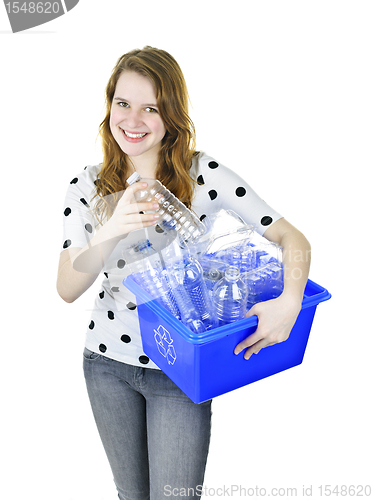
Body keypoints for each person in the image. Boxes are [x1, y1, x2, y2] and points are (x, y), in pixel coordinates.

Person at [57, 46, 311, 500]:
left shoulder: (205, 175)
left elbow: (293, 239)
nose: (132, 120)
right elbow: (67, 287)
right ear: (109, 106)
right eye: (122, 103)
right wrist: (113, 228)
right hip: (106, 364)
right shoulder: (88, 186)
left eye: (150, 108)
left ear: (171, 115)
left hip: (181, 367)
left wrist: (290, 301)